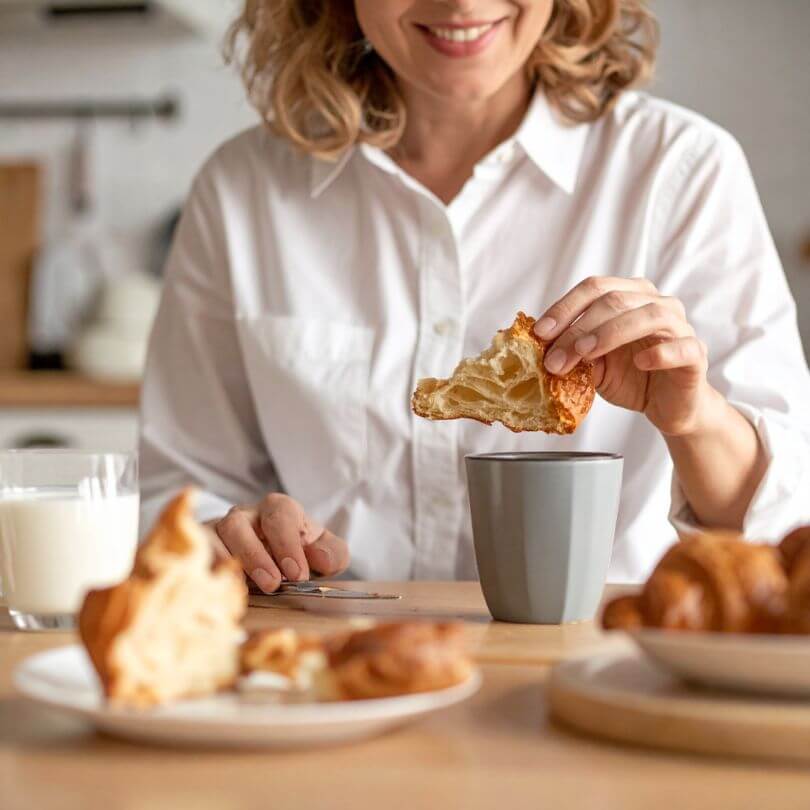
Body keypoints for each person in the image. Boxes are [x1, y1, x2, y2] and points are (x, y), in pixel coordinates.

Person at [139, 0, 810, 590]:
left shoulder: (682, 171)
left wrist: (694, 420)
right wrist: (232, 537)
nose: (461, 3)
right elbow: (176, 489)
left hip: (606, 674)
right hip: (327, 673)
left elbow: (787, 524)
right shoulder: (240, 191)